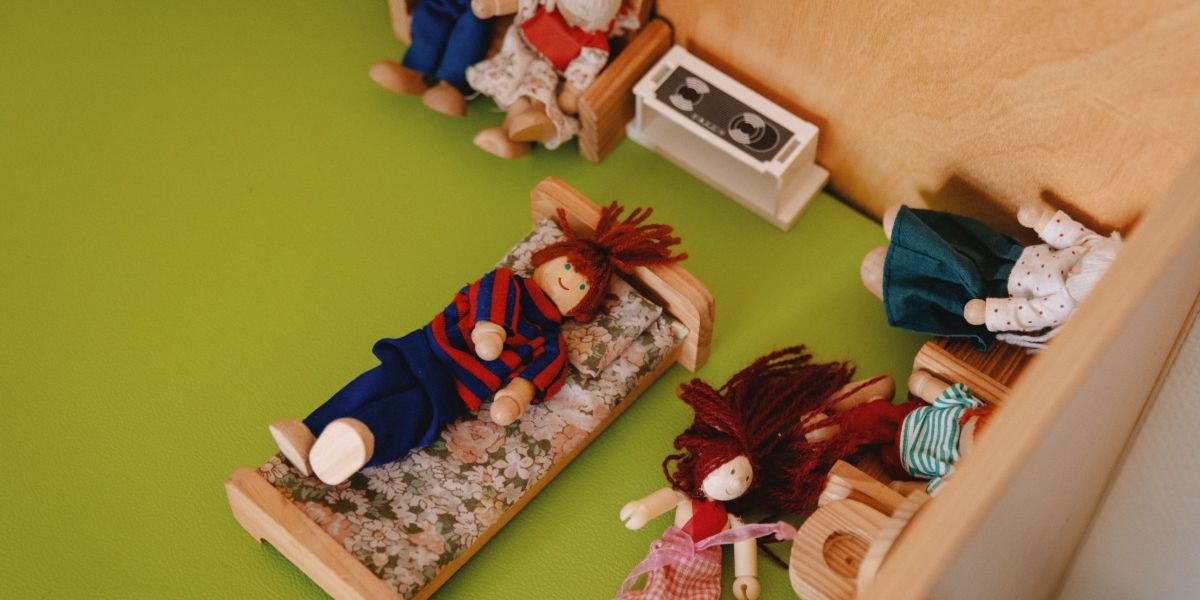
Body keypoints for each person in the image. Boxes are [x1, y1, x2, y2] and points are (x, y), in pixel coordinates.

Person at [269, 202, 686, 484]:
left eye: (581, 287)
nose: (569, 281)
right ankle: (309, 431)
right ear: (548, 259)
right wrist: (490, 330)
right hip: (425, 350)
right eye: (568, 268)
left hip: (450, 390)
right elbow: (490, 303)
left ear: (582, 307)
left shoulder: (549, 345)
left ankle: (356, 445)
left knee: (408, 415)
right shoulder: (507, 283)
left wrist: (514, 399)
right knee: (371, 384)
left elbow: (535, 379)